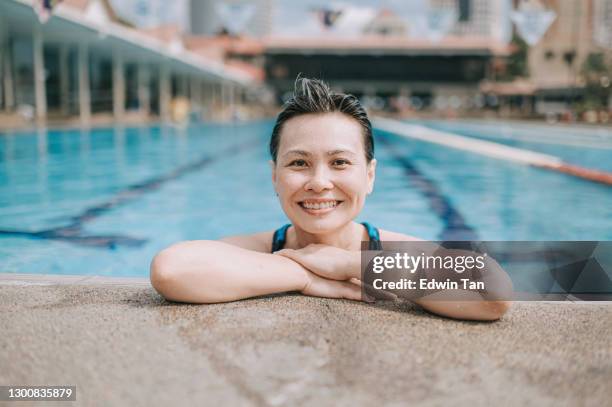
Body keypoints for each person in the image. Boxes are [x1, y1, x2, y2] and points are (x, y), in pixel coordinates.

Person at [150, 77, 512, 321]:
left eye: (339, 162)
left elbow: (495, 293)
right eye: (299, 163)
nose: (319, 182)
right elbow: (171, 270)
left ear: (369, 176)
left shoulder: (389, 247)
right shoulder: (262, 246)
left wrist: (349, 265)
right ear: (275, 176)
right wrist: (305, 273)